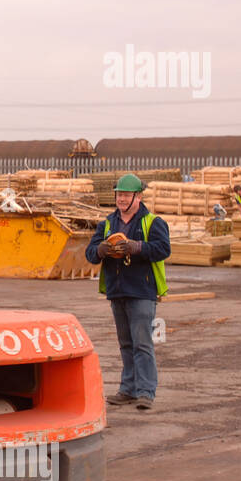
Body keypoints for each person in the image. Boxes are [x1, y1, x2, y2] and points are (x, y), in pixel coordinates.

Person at [85, 173, 171, 410]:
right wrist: (101, 250)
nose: (121, 199)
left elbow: (163, 249)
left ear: (138, 196)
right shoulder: (107, 224)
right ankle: (128, 389)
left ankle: (145, 392)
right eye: (119, 194)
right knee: (125, 343)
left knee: (142, 342)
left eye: (126, 195)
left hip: (142, 291)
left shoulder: (153, 222)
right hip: (117, 291)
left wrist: (137, 247)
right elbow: (90, 253)